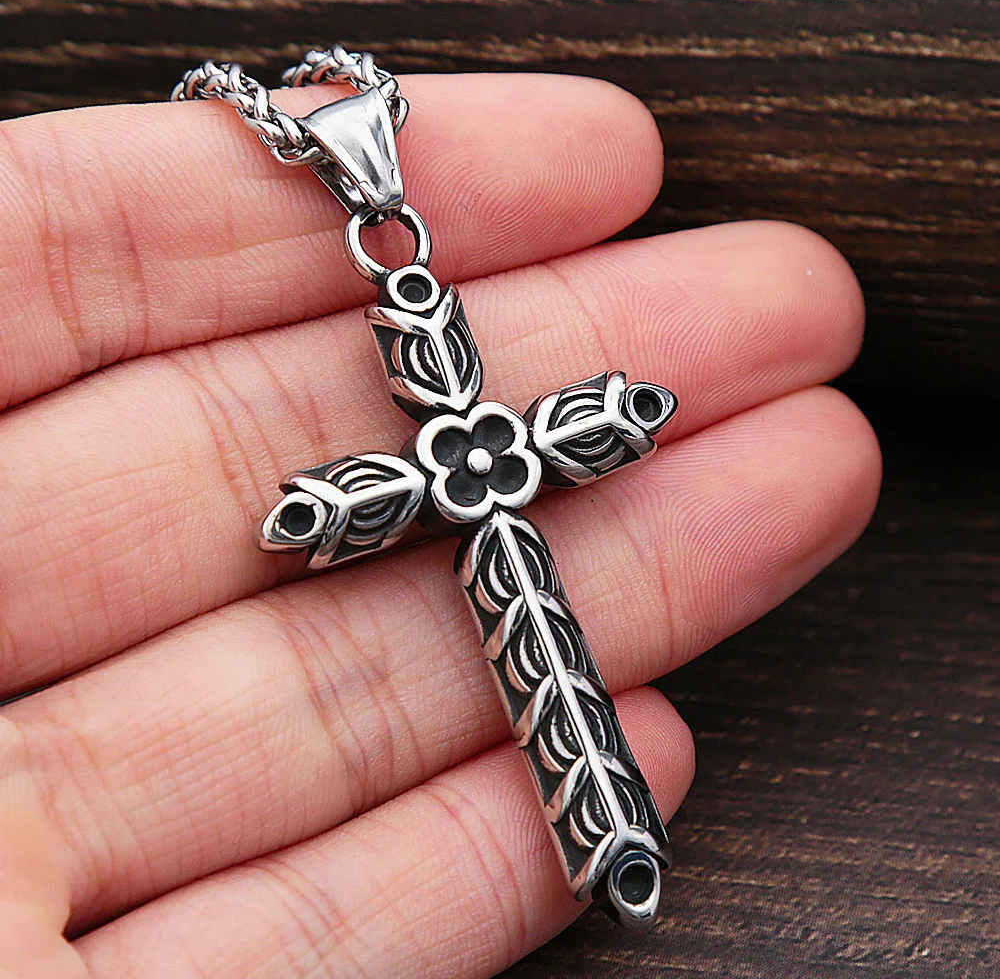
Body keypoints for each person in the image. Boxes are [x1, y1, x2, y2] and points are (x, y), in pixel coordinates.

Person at [0, 71, 880, 977]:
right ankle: (615, 849)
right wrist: (326, 512)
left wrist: (620, 416)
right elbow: (319, 512)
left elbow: (625, 412)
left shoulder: (501, 440)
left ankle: (619, 851)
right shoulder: (437, 462)